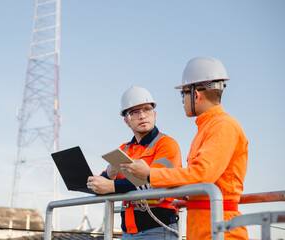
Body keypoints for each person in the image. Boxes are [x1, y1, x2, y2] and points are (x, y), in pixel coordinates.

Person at [120, 57, 248, 239]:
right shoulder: (208, 127)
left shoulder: (222, 126)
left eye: (184, 94)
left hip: (221, 230)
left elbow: (201, 174)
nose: (182, 101)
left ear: (196, 94)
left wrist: (149, 174)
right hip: (204, 226)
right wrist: (188, 198)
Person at [87, 86, 182, 240]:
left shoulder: (166, 144)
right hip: (128, 231)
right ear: (126, 121)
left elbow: (156, 181)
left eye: (146, 109)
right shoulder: (124, 149)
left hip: (158, 229)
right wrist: (107, 175)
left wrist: (110, 186)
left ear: (154, 113)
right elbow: (103, 186)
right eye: (135, 112)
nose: (142, 115)